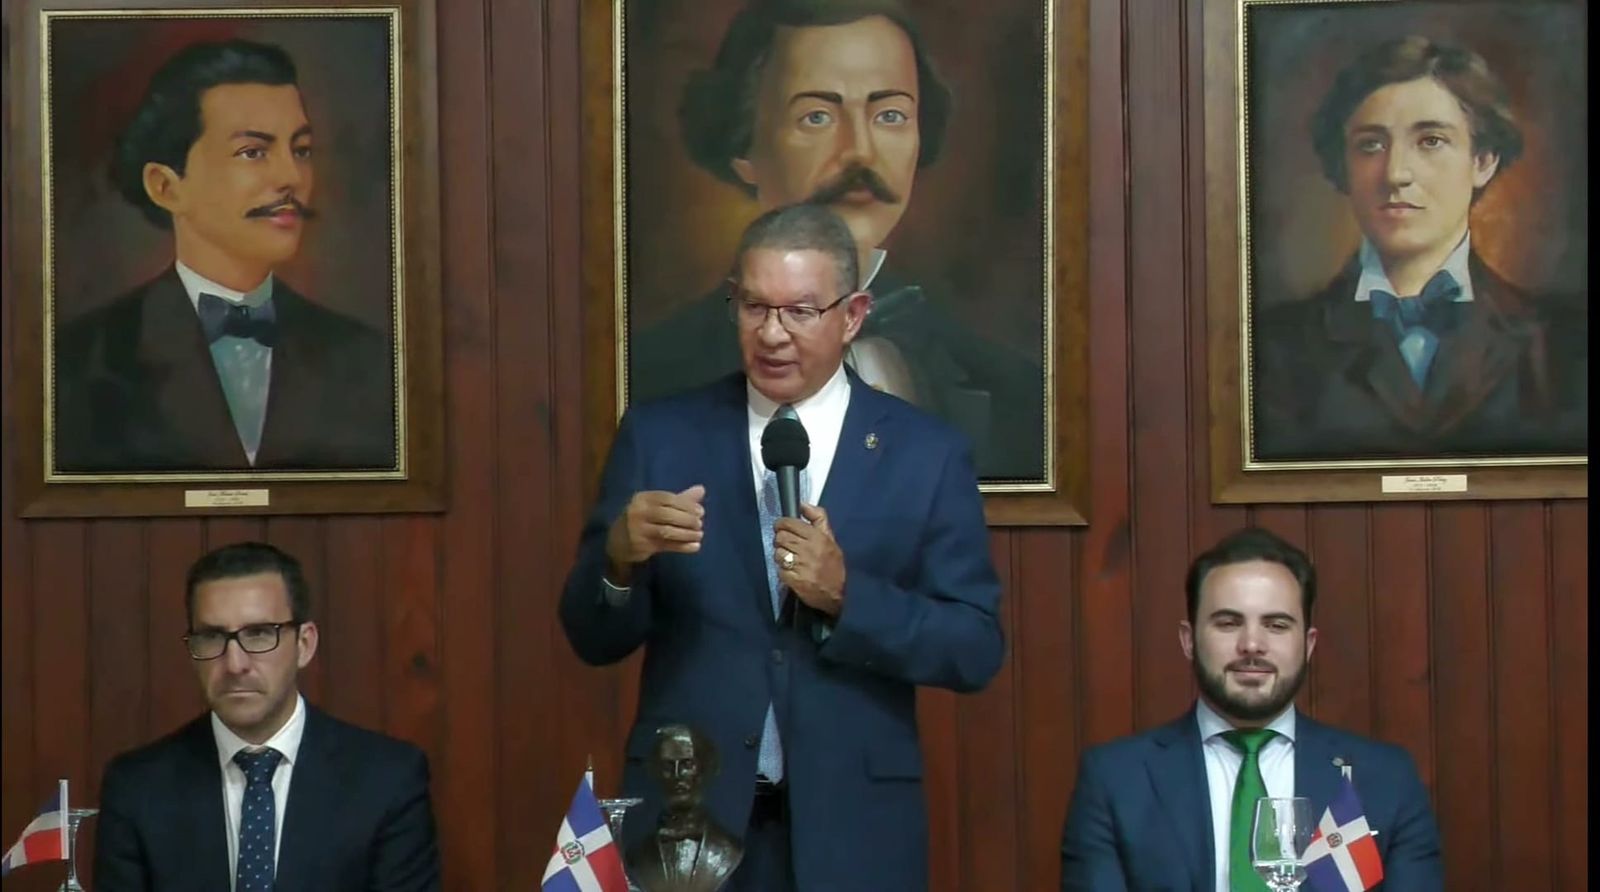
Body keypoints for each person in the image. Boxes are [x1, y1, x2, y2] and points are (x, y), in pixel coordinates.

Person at [561, 203, 1004, 891]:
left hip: (852, 830)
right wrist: (618, 562)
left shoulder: (926, 454)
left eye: (800, 311)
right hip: (688, 823)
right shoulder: (662, 437)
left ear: (853, 316)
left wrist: (849, 598)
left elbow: (974, 647)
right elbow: (592, 638)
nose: (772, 334)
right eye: (753, 308)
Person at [629, 0, 1045, 479]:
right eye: (817, 117)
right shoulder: (656, 374)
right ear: (743, 149)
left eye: (890, 115)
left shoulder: (1014, 390)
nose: (860, 152)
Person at [53, 39, 395, 474]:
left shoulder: (368, 359)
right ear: (166, 186)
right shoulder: (79, 362)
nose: (291, 176)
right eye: (253, 152)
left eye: (301, 150)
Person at [1253, 35, 1586, 461]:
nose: (1395, 174)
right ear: (1343, 166)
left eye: (1430, 141)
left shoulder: (1562, 341)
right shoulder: (1275, 346)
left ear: (1482, 161)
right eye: (1371, 144)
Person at [1059, 528, 1442, 891]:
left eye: (1276, 625)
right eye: (1228, 623)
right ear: (1189, 640)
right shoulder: (1115, 781)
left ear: (1308, 645)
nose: (1252, 644)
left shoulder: (1385, 780)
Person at [94, 542, 441, 891]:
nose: (235, 664)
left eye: (259, 634)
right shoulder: (138, 788)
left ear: (304, 644)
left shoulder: (387, 780)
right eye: (212, 637)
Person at [625, 724, 744, 892]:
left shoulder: (729, 848)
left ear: (704, 769)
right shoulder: (639, 854)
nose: (677, 775)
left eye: (687, 764)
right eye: (667, 766)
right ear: (656, 772)